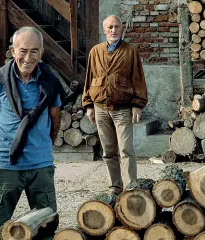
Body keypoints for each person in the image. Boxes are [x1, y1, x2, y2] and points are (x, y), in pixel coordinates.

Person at [0, 26, 63, 239]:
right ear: (13, 51)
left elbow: (55, 119)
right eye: (23, 50)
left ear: (41, 53)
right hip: (5, 167)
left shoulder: (50, 83)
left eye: (34, 51)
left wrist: (44, 147)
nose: (28, 57)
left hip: (40, 168)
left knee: (47, 230)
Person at [82, 15, 148, 195]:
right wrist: (88, 105)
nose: (113, 30)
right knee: (109, 151)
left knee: (126, 149)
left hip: (122, 108)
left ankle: (130, 188)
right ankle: (114, 186)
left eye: (116, 27)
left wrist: (137, 104)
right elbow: (89, 79)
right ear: (104, 30)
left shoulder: (130, 51)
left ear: (122, 29)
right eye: (109, 27)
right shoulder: (95, 51)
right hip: (100, 108)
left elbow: (138, 79)